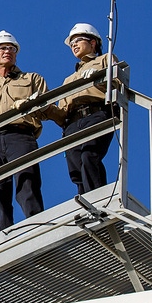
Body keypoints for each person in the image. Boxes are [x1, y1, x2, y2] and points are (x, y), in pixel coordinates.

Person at [0, 30, 63, 234]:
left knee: (27, 180)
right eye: (2, 48)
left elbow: (47, 106)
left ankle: (37, 226)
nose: (7, 51)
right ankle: (3, 234)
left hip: (20, 134)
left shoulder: (31, 79)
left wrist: (32, 104)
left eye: (11, 48)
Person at [59, 23, 118, 195]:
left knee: (89, 154)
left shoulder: (105, 60)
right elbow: (61, 112)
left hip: (97, 112)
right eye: (71, 44)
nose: (74, 45)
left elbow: (118, 84)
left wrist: (99, 78)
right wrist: (41, 108)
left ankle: (97, 199)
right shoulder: (68, 80)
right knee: (76, 164)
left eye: (78, 40)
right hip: (73, 122)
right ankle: (85, 201)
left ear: (93, 43)